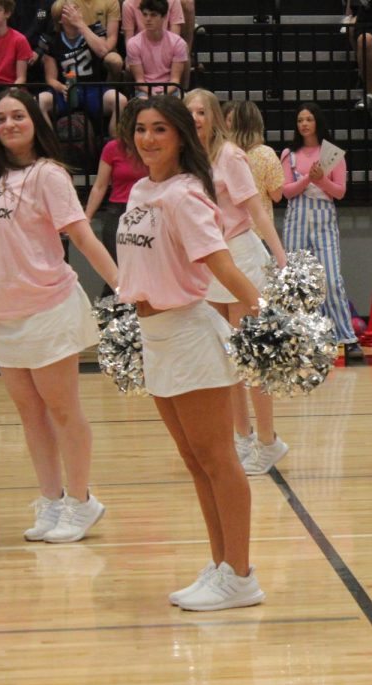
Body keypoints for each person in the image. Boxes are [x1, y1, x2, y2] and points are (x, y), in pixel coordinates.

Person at [116, 94, 266, 610]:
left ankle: (241, 575)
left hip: (190, 336)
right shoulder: (140, 190)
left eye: (160, 129)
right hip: (155, 339)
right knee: (194, 461)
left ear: (181, 135)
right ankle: (222, 563)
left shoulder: (186, 194)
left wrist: (264, 309)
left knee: (218, 459)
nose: (148, 139)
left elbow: (222, 265)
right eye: (140, 129)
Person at [0, 89, 119, 544]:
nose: (9, 124)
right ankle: (51, 500)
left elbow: (83, 237)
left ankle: (81, 500)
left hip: (47, 308)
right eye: (1, 118)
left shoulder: (48, 175)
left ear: (35, 121)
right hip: (4, 315)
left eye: (18, 116)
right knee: (31, 415)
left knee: (63, 410)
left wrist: (124, 287)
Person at [183, 88, 291, 475]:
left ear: (214, 117)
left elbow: (258, 212)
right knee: (223, 360)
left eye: (201, 111)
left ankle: (268, 440)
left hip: (242, 257)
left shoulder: (229, 156)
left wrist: (281, 259)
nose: (195, 117)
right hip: (211, 262)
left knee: (250, 356)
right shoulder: (188, 160)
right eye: (188, 111)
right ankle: (242, 438)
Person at [280, 102, 358, 355]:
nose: (304, 124)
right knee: (296, 279)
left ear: (317, 122)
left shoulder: (333, 153)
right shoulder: (288, 154)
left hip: (324, 217)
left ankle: (345, 336)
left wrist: (321, 180)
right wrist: (307, 179)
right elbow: (286, 191)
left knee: (332, 279)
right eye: (300, 120)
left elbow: (341, 191)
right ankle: (299, 337)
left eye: (309, 119)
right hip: (297, 218)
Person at [37, 0, 126, 130]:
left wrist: (80, 25)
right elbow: (50, 78)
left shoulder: (94, 30)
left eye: (76, 9)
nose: (76, 13)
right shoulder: (51, 40)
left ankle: (112, 144)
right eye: (70, 11)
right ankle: (50, 144)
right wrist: (62, 88)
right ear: (60, 20)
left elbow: (103, 51)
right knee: (38, 102)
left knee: (121, 101)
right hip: (66, 92)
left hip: (92, 89)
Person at [84, 99, 147, 271]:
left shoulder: (153, 147)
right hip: (118, 212)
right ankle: (114, 298)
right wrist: (87, 216)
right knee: (117, 270)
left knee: (143, 271)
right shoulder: (112, 148)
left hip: (147, 211)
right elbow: (100, 186)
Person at [125, 0, 187, 95]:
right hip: (144, 91)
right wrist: (153, 95)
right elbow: (140, 81)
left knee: (176, 105)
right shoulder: (133, 44)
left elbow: (175, 80)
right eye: (145, 15)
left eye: (153, 15)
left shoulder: (178, 43)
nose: (148, 19)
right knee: (142, 104)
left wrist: (163, 94)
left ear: (164, 17)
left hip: (170, 90)